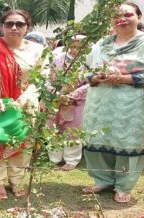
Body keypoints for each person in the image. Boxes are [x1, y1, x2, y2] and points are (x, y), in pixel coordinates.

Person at [82, 2, 144, 203]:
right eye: (116, 16)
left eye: (127, 14)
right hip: (100, 101)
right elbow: (85, 70)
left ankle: (123, 185)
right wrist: (96, 77)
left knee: (126, 142)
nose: (122, 19)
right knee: (96, 138)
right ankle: (102, 179)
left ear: (138, 16)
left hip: (132, 103)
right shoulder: (101, 43)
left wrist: (125, 78)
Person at [0, 9, 45, 200]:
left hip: (26, 103)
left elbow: (40, 78)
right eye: (9, 24)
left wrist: (24, 99)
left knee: (23, 141)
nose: (14, 27)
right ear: (1, 27)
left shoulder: (37, 50)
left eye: (19, 24)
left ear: (27, 28)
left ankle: (16, 180)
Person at [48, 35, 88, 171]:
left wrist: (73, 95)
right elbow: (48, 78)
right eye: (72, 46)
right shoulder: (59, 59)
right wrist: (56, 93)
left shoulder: (87, 61)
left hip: (75, 101)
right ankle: (54, 157)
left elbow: (90, 83)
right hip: (56, 99)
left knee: (73, 130)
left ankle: (71, 159)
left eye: (79, 47)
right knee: (53, 128)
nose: (74, 50)